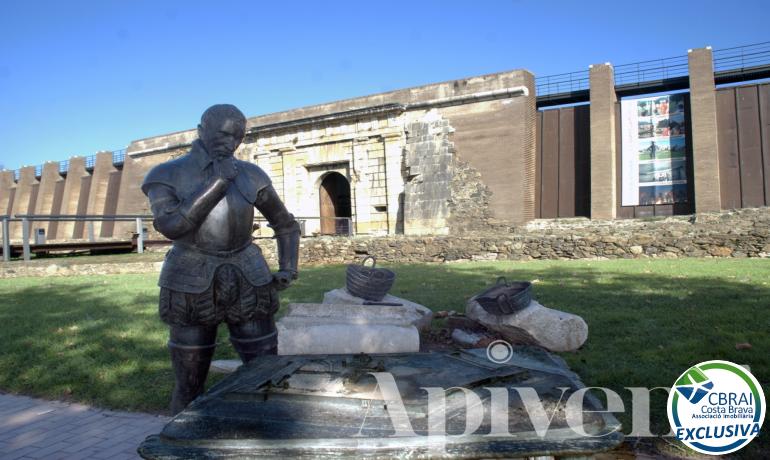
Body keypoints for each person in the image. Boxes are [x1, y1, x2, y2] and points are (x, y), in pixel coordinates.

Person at [141, 104, 300, 414]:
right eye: (224, 134)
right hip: (190, 275)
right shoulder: (166, 174)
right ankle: (180, 442)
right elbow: (173, 226)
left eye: (238, 137)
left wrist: (288, 267)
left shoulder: (252, 175)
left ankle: (267, 436)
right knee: (189, 383)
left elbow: (285, 223)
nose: (231, 142)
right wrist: (218, 182)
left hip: (249, 275)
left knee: (266, 373)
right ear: (202, 130)